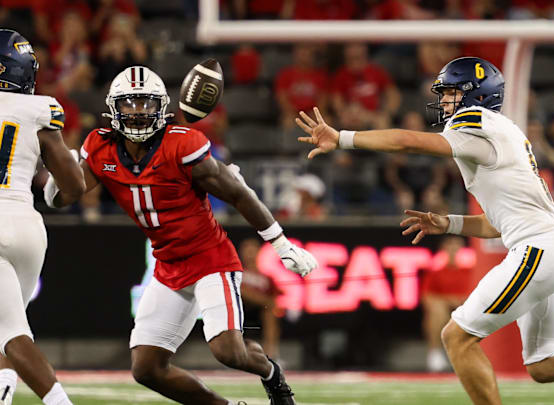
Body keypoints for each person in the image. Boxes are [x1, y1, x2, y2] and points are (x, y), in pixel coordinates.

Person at [296, 56, 554, 405]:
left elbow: (409, 143)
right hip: (550, 249)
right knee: (544, 365)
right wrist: (447, 223)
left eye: (451, 93)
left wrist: (344, 138)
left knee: (456, 336)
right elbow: (496, 223)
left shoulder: (477, 124)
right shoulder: (503, 133)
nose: (444, 101)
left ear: (476, 95)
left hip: (537, 251)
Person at [44, 66, 318, 405]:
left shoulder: (182, 143)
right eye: (130, 104)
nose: (138, 113)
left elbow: (238, 193)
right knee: (146, 369)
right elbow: (63, 196)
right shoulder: (99, 147)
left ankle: (270, 372)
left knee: (228, 352)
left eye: (146, 104)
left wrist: (280, 242)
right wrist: (59, 166)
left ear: (161, 108)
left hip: (210, 259)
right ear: (114, 108)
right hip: (167, 265)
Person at [0, 29, 85, 405]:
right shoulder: (40, 110)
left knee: (11, 330)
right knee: (7, 323)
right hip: (28, 225)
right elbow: (74, 186)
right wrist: (54, 193)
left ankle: (58, 402)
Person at [421, 235, 478, 372]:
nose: (453, 249)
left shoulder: (472, 272)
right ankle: (435, 354)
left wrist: (460, 301)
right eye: (450, 245)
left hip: (467, 309)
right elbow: (427, 297)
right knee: (436, 310)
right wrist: (448, 301)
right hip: (445, 312)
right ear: (444, 249)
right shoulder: (436, 273)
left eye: (456, 246)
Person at [238, 238, 281, 359]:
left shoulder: (267, 278)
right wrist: (262, 300)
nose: (250, 254)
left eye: (253, 250)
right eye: (247, 251)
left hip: (258, 312)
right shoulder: (237, 273)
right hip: (239, 309)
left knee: (270, 313)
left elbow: (274, 300)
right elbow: (239, 291)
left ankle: (270, 355)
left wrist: (264, 302)